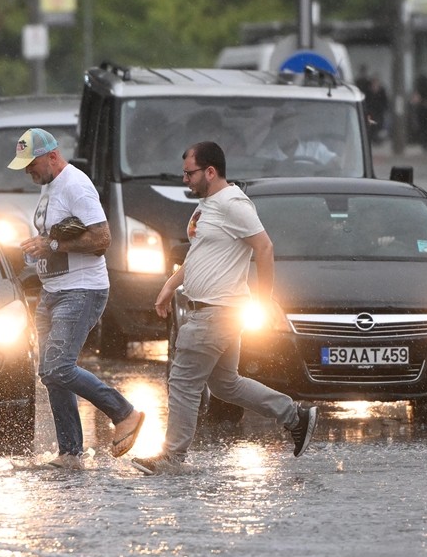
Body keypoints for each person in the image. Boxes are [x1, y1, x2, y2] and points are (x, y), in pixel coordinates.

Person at [131, 141, 317, 475]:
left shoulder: (233, 204)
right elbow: (199, 254)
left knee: (184, 381)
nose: (185, 180)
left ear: (211, 171)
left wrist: (265, 298)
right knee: (225, 384)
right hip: (215, 309)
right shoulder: (208, 206)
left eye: (190, 173)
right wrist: (170, 285)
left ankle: (172, 457)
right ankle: (294, 415)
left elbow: (264, 247)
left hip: (217, 310)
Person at [9, 128, 146, 468]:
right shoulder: (51, 188)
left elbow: (102, 240)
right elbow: (52, 240)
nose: (29, 172)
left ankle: (125, 413)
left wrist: (52, 245)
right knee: (51, 373)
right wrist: (32, 252)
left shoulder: (76, 185)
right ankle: (70, 452)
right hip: (53, 291)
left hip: (81, 289)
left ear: (52, 156)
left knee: (58, 367)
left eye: (32, 164)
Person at [411, 74, 427, 152]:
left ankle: (425, 143)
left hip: (421, 112)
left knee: (423, 129)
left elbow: (415, 100)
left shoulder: (419, 89)